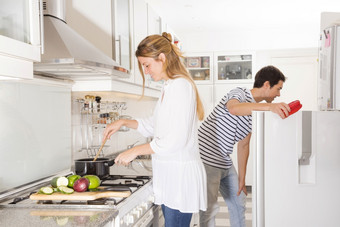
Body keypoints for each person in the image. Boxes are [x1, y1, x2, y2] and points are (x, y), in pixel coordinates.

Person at [103, 32, 207, 226]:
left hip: (179, 179)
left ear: (162, 58)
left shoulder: (180, 87)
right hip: (171, 177)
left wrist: (135, 151)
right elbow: (153, 125)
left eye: (146, 65)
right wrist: (123, 122)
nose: (146, 71)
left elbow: (175, 141)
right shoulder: (169, 87)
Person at [198, 65, 289, 227]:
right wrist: (270, 107)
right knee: (209, 209)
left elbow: (244, 145)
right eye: (278, 89)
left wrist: (242, 178)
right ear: (267, 85)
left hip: (224, 160)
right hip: (207, 157)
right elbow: (233, 109)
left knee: (239, 201)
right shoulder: (239, 93)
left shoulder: (255, 111)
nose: (279, 94)